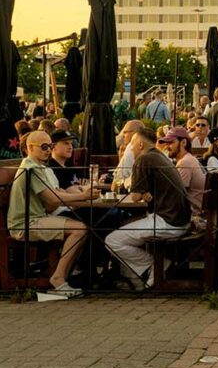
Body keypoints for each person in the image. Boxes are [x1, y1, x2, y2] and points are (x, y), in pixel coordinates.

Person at [6, 129, 93, 296]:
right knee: (80, 229)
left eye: (50, 146)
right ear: (30, 148)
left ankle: (64, 276)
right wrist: (82, 196)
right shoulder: (32, 168)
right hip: (25, 223)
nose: (48, 150)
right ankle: (59, 278)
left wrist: (78, 197)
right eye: (44, 147)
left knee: (82, 227)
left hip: (35, 218)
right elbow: (52, 199)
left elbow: (53, 197)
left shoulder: (36, 166)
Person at [105, 127, 191, 290]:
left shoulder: (144, 159)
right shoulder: (159, 156)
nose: (130, 149)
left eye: (131, 145)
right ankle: (136, 279)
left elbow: (135, 197)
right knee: (125, 224)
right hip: (180, 219)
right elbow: (144, 194)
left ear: (140, 145)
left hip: (168, 222)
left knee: (112, 240)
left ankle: (157, 264)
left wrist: (141, 192)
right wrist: (144, 193)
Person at [159, 127, 206, 215]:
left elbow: (176, 194)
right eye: (166, 143)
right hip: (195, 211)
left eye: (171, 143)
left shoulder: (185, 162)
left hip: (193, 215)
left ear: (183, 142)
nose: (166, 146)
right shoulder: (189, 158)